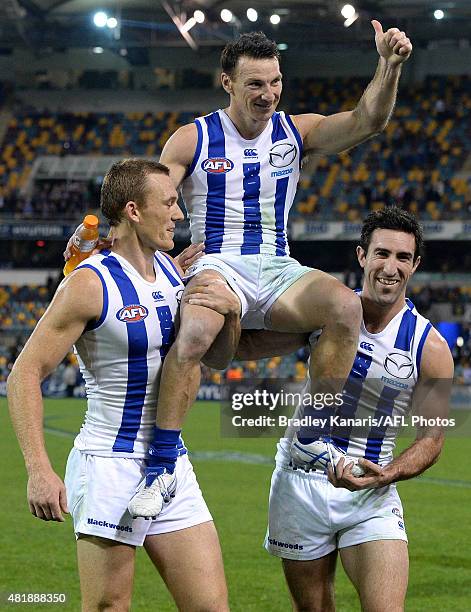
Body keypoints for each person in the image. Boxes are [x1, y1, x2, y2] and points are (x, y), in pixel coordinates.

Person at [130, 23, 414, 515]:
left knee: (347, 309)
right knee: (196, 333)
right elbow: (153, 201)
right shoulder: (191, 138)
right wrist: (158, 263)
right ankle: (161, 466)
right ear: (228, 83)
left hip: (279, 266)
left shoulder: (294, 131)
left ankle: (309, 435)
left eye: (276, 82)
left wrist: (388, 67)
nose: (269, 94)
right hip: (216, 263)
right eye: (255, 84)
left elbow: (368, 120)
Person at [7, 159, 240, 612]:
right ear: (133, 211)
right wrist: (38, 468)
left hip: (169, 464)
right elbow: (24, 374)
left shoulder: (174, 273)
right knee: (108, 607)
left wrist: (230, 313)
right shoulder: (88, 284)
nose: (178, 214)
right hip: (109, 464)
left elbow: (217, 358)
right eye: (169, 203)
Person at [237, 207, 453, 611]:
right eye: (382, 254)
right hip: (301, 482)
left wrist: (389, 473)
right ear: (361, 256)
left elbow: (432, 438)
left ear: (416, 265)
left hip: (370, 491)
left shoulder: (431, 347)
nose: (391, 268)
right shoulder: (326, 311)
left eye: (403, 258)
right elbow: (246, 346)